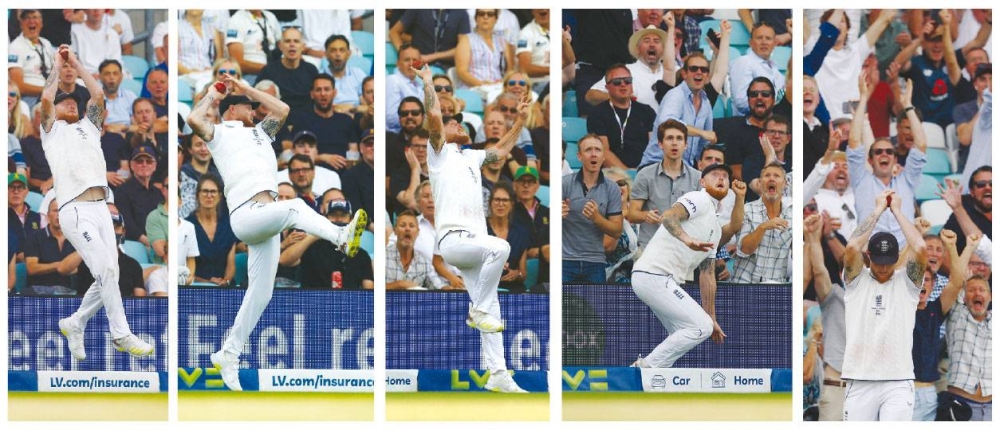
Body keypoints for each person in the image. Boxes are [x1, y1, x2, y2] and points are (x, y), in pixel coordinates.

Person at [187, 71, 366, 391]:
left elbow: (282, 109)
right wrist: (216, 93)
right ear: (231, 110)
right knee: (296, 206)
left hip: (266, 219)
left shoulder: (261, 133)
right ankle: (340, 236)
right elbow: (193, 118)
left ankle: (229, 353)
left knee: (262, 292)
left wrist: (246, 88)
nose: (255, 110)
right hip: (245, 215)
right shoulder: (220, 133)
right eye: (247, 106)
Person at [415, 63, 527, 392]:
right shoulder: (438, 154)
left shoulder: (472, 156)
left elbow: (503, 149)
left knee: (493, 309)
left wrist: (519, 119)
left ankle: (498, 375)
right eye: (453, 122)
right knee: (501, 247)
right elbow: (434, 117)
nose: (457, 124)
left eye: (460, 122)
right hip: (453, 241)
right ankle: (476, 308)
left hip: (474, 243)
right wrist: (426, 81)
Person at [41, 45, 152, 359]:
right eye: (65, 102)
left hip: (101, 207)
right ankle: (121, 333)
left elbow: (98, 96)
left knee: (111, 272)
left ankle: (76, 322)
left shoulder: (89, 128)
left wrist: (75, 61)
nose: (69, 105)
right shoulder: (50, 133)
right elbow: (47, 99)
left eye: (73, 102)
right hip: (74, 209)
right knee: (104, 268)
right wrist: (56, 64)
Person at [630, 163, 746, 368]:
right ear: (702, 182)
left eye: (725, 176)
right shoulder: (698, 198)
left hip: (656, 279)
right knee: (699, 327)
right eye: (715, 175)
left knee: (686, 332)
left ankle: (652, 385)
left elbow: (707, 275)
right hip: (653, 275)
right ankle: (641, 369)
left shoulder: (715, 229)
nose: (721, 178)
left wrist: (712, 318)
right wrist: (686, 239)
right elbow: (668, 216)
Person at [841, 189, 928, 421]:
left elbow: (920, 249)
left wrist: (897, 210)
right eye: (878, 261)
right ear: (869, 255)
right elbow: (851, 248)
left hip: (898, 379)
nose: (883, 268)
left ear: (897, 257)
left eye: (889, 262)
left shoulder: (907, 283)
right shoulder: (856, 281)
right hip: (859, 377)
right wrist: (878, 209)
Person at [849, 75, 926, 247]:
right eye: (878, 152)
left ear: (895, 158)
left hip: (904, 255)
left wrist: (908, 107)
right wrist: (863, 99)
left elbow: (921, 146)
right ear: (870, 159)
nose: (884, 154)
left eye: (889, 151)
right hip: (870, 254)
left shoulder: (907, 181)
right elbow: (854, 143)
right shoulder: (860, 180)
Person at [629, 120, 702, 248]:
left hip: (684, 248)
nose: (674, 143)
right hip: (651, 246)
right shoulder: (645, 174)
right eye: (669, 138)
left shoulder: (697, 178)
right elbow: (632, 214)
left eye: (679, 139)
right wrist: (645, 215)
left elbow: (702, 215)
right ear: (660, 144)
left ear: (686, 145)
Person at [279, 195, 373, 290]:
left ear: (351, 220)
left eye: (343, 215)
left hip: (348, 302)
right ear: (325, 218)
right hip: (314, 301)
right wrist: (316, 234)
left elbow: (368, 291)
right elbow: (284, 260)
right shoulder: (312, 248)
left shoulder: (361, 255)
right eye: (333, 215)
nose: (338, 219)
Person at [562, 135, 623, 282]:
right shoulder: (563, 183)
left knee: (594, 305)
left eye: (598, 150)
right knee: (561, 305)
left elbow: (616, 230)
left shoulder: (612, 188)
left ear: (603, 156)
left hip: (595, 262)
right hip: (564, 260)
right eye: (588, 150)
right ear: (579, 156)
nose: (593, 154)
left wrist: (597, 218)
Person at [733, 163, 792, 283]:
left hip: (776, 287)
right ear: (760, 183)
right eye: (767, 175)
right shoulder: (746, 209)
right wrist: (763, 227)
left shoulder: (793, 216)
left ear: (786, 184)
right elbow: (744, 250)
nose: (771, 178)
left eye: (777, 176)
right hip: (744, 285)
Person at [186, 175, 236, 286]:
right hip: (196, 286)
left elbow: (231, 264)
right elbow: (185, 268)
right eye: (205, 191)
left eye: (213, 191)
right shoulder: (187, 225)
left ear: (220, 196)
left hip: (225, 286)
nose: (209, 195)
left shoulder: (228, 225)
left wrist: (226, 281)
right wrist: (208, 283)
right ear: (197, 195)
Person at [385, 209, 442, 290]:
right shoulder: (382, 257)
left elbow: (437, 286)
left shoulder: (424, 262)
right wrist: (400, 284)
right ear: (395, 231)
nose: (407, 229)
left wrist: (450, 289)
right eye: (403, 225)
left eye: (412, 226)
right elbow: (372, 289)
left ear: (418, 232)